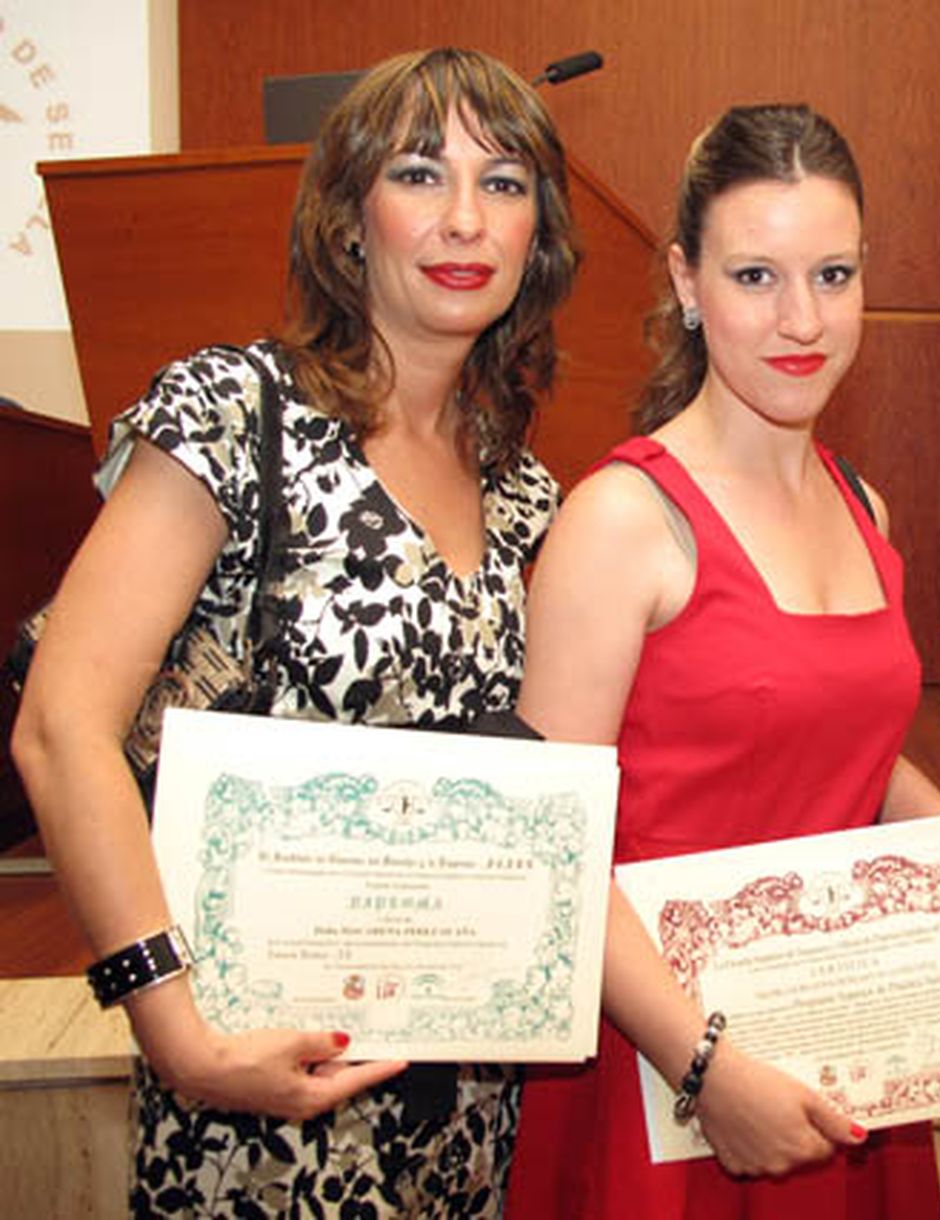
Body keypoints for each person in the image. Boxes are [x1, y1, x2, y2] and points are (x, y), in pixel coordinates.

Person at [11, 47, 579, 1215]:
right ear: (347, 218)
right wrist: (176, 1028)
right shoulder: (235, 412)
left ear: (540, 235)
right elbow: (62, 728)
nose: (466, 217)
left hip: (462, 1098)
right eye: (421, 174)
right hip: (253, 1085)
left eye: (506, 181)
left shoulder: (529, 493)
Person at [503, 104, 940, 1219]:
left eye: (834, 273)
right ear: (686, 283)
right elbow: (545, 840)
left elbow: (848, 753)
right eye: (755, 276)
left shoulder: (864, 506)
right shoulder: (622, 517)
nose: (801, 318)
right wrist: (706, 1067)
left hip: (836, 1041)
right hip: (662, 1062)